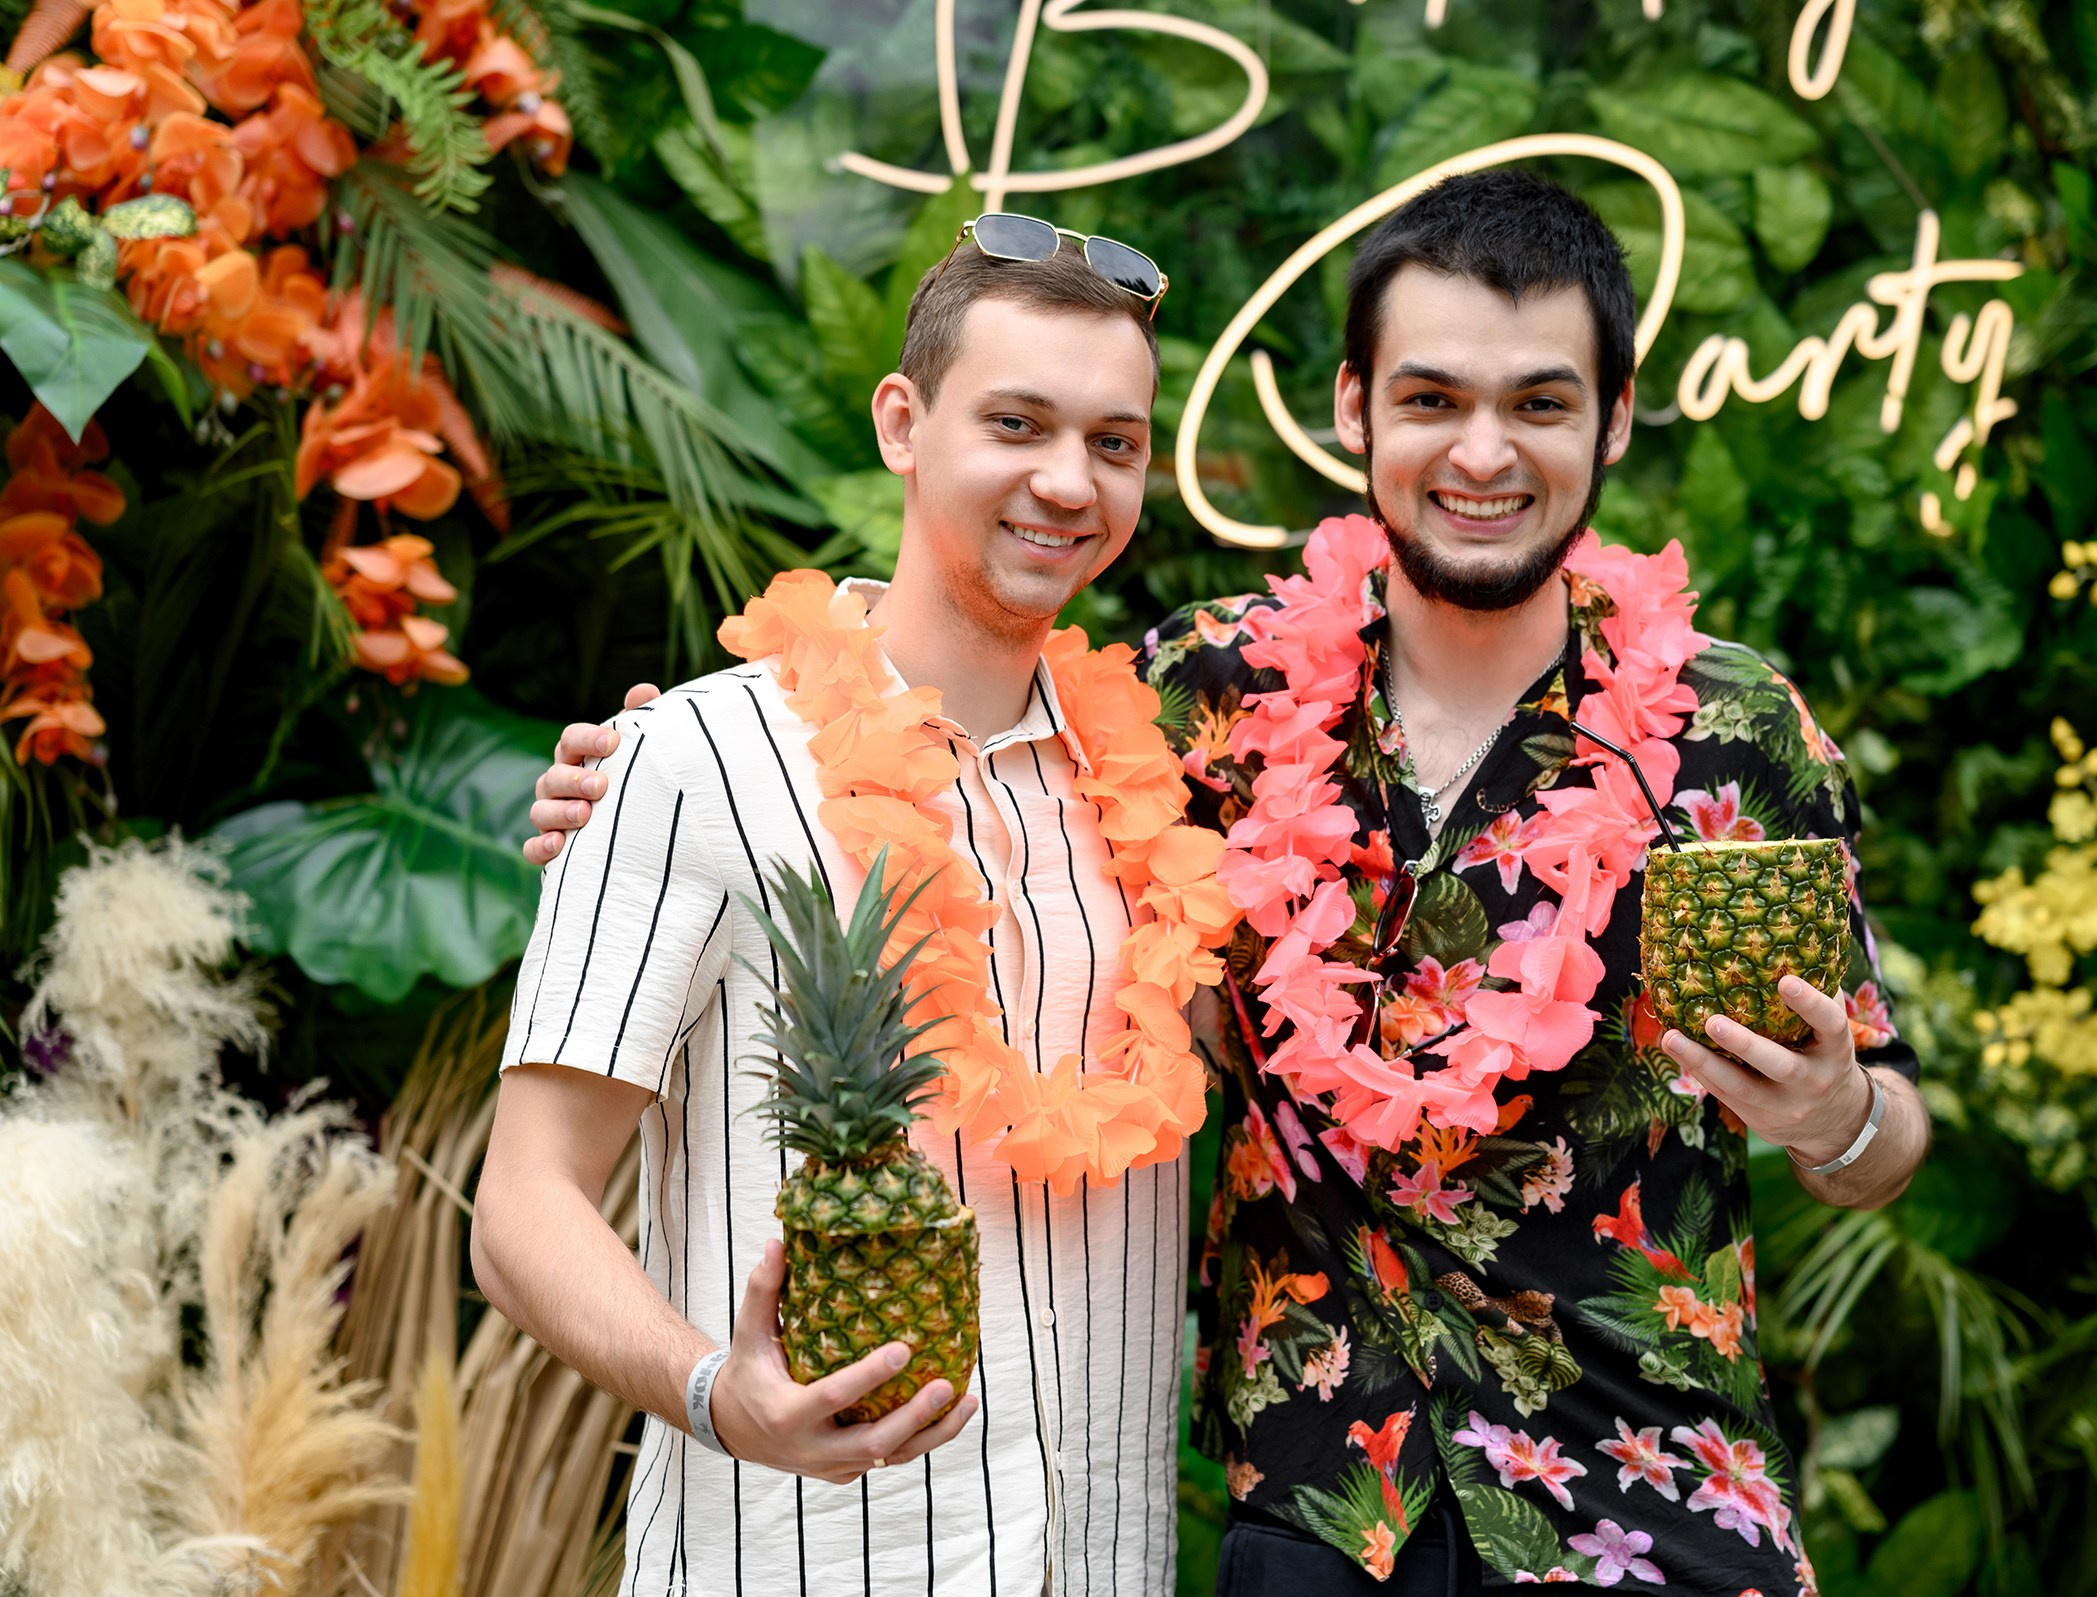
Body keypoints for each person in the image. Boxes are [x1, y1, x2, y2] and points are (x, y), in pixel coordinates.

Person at [531, 171, 1930, 1595]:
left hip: (1653, 1504)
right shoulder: (1202, 702)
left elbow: (1885, 1135)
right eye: (1434, 397)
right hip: (1324, 1509)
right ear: (1355, 410)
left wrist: (1840, 1116)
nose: (1484, 450)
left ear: (1614, 419)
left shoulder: (1737, 733)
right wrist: (655, 760)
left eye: (1543, 403)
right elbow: (920, 699)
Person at [479, 219, 1210, 1597]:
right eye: (1018, 422)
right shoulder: (695, 761)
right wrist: (713, 1390)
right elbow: (523, 1202)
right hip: (805, 1564)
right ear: (902, 422)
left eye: (1115, 442)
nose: (1070, 480)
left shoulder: (1160, 804)